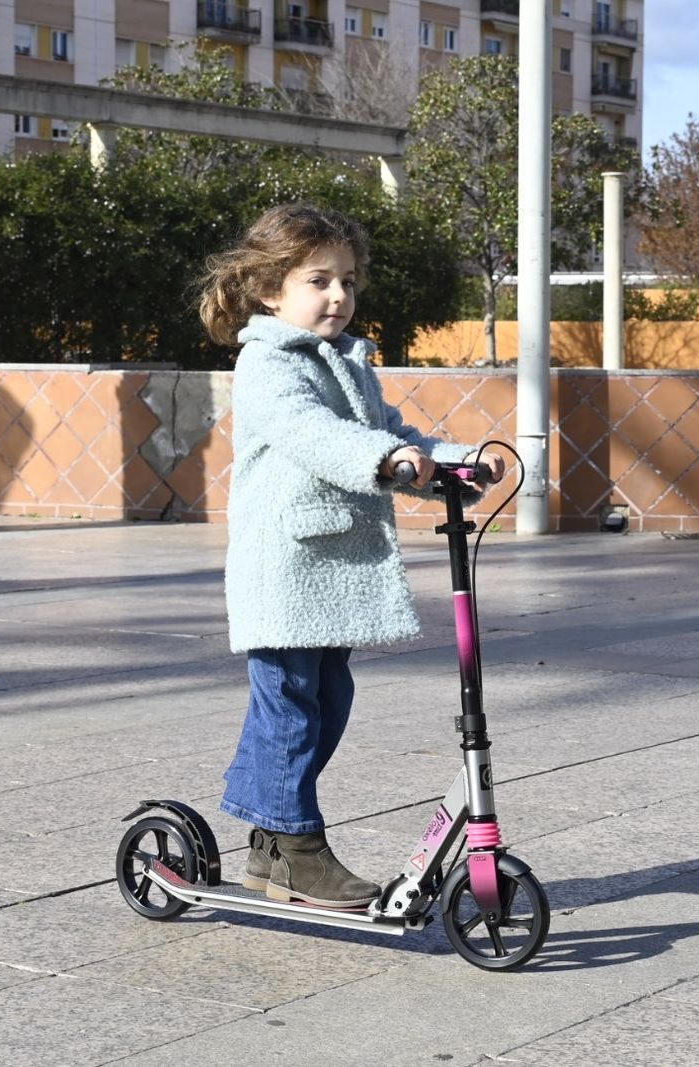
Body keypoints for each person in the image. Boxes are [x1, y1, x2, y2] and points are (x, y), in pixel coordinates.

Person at [197, 203, 505, 909]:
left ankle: (269, 843)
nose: (339, 295)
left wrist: (456, 461)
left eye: (348, 281)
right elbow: (317, 436)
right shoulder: (268, 362)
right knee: (291, 708)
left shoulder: (344, 360)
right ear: (271, 291)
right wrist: (388, 457)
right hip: (285, 567)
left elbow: (390, 431)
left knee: (325, 699)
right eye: (318, 281)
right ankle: (294, 845)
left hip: (324, 570)